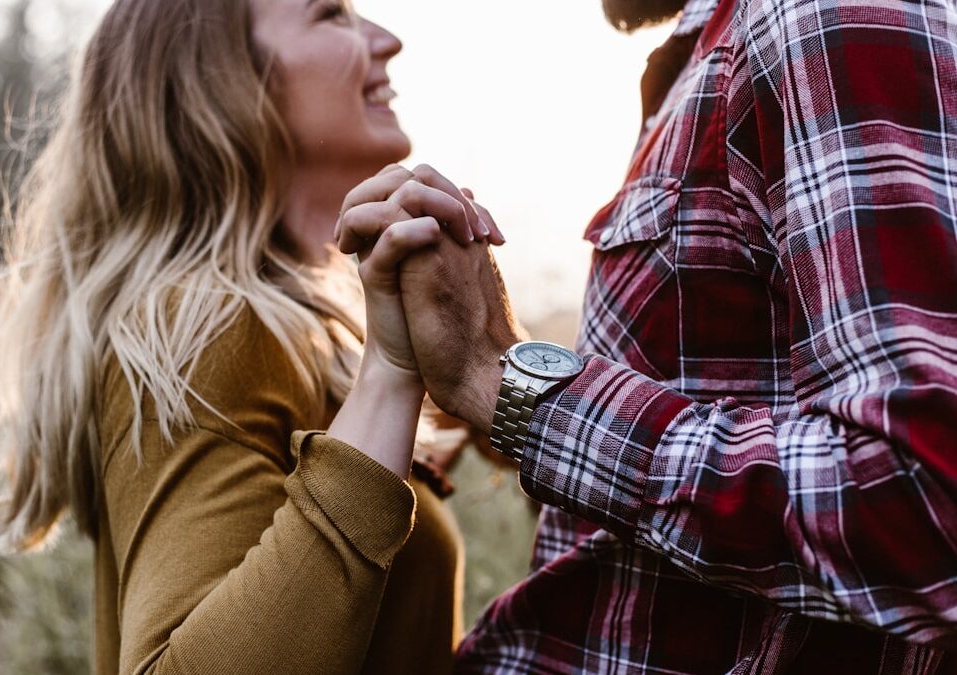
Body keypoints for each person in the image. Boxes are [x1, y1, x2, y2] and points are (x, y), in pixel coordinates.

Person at [337, 0, 957, 671]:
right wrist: (502, 362)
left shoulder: (820, 17)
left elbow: (922, 498)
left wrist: (503, 382)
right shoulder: (715, 53)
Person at [0, 0, 502, 673]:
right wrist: (391, 375)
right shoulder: (206, 326)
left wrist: (483, 359)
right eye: (330, 14)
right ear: (222, 79)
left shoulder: (298, 332)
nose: (386, 40)